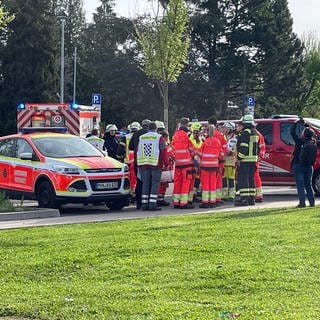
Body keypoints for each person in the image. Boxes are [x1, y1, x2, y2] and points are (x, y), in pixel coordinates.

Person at [137, 122, 168, 211]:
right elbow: (163, 151)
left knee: (145, 184)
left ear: (148, 128)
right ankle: (152, 204)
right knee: (155, 184)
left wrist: (139, 163)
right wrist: (166, 163)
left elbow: (138, 150)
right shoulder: (159, 137)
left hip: (144, 164)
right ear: (156, 129)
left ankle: (144, 204)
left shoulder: (142, 137)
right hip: (155, 164)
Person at [291, 118, 317, 208]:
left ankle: (302, 203)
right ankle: (312, 203)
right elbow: (313, 132)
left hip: (299, 165)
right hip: (309, 167)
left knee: (300, 186)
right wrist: (306, 125)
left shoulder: (299, 141)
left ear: (304, 135)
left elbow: (292, 133)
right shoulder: (314, 142)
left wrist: (295, 123)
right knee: (308, 185)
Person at [235, 114, 259, 206]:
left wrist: (239, 158)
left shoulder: (246, 132)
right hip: (253, 160)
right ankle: (251, 199)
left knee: (243, 179)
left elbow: (244, 147)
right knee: (251, 179)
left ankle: (244, 200)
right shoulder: (255, 132)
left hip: (245, 160)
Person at [171, 117, 195, 209]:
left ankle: (176, 202)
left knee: (177, 182)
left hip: (178, 163)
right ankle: (184, 203)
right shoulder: (188, 134)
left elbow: (172, 147)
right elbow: (192, 149)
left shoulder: (175, 135)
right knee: (186, 182)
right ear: (188, 124)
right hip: (187, 163)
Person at [129, 119, 151, 209]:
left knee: (139, 182)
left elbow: (130, 147)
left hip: (137, 161)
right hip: (149, 161)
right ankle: (147, 202)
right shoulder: (151, 134)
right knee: (148, 182)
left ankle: (139, 203)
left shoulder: (135, 134)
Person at [199, 124, 221, 208]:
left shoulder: (205, 141)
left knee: (205, 184)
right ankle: (212, 202)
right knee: (213, 184)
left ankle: (205, 202)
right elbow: (221, 154)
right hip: (214, 166)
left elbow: (200, 153)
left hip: (205, 166)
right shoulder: (218, 141)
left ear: (208, 132)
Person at [117, 121, 141, 196]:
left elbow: (120, 150)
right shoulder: (140, 136)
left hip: (127, 161)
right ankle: (135, 193)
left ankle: (129, 192)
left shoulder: (125, 137)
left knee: (128, 178)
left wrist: (119, 159)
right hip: (138, 160)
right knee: (136, 178)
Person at [208, 116, 227, 206]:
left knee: (209, 181)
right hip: (219, 161)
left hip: (209, 162)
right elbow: (224, 148)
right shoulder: (220, 135)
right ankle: (218, 198)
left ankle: (210, 199)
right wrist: (220, 157)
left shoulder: (208, 135)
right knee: (218, 180)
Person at [221, 122, 237, 201]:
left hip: (231, 161)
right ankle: (224, 194)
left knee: (231, 178)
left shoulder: (235, 138)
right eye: (225, 128)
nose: (225, 130)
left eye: (226, 128)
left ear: (231, 129)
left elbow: (237, 150)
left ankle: (231, 194)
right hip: (223, 161)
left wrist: (231, 152)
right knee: (223, 178)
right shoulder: (222, 137)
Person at [189, 122, 204, 203]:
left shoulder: (200, 138)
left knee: (197, 179)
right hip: (193, 162)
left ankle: (194, 195)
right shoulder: (191, 138)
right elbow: (193, 149)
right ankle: (192, 196)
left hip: (198, 162)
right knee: (194, 179)